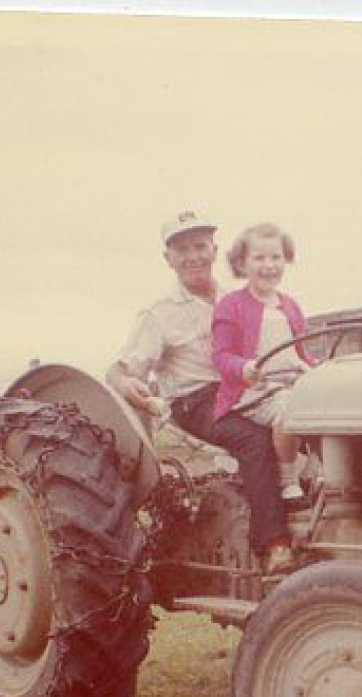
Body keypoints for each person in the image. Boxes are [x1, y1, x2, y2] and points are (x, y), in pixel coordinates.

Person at [106, 211, 294, 574]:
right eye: (181, 249)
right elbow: (121, 369)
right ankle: (273, 545)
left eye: (199, 246)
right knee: (254, 439)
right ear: (168, 259)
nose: (193, 256)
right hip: (196, 401)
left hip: (245, 387)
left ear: (213, 249)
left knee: (303, 416)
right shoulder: (159, 314)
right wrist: (125, 383)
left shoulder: (241, 297)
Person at [211, 222, 315, 509]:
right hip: (254, 393)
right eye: (259, 258)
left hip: (290, 384)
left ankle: (328, 476)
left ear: (286, 259)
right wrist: (244, 367)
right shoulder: (231, 305)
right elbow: (221, 355)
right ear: (242, 264)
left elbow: (300, 353)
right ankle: (289, 481)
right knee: (290, 408)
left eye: (276, 257)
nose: (269, 266)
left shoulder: (290, 305)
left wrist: (319, 369)